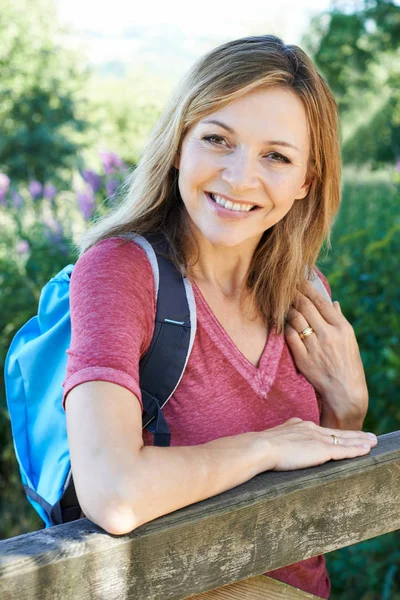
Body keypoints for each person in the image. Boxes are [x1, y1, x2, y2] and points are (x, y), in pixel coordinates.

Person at [63, 35, 377, 598]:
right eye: (217, 140)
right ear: (180, 145)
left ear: (307, 179)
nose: (239, 177)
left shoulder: (304, 292)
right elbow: (113, 493)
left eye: (276, 156)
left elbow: (318, 522)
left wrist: (349, 410)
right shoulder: (121, 273)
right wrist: (266, 446)